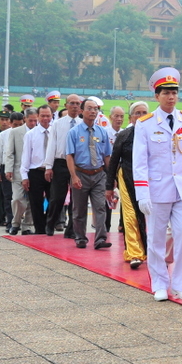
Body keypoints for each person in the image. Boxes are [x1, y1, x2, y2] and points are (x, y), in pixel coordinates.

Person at [133, 68, 182, 302]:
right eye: (166, 93)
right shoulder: (145, 124)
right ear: (157, 95)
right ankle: (160, 283)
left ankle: (181, 285)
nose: (171, 97)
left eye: (174, 92)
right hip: (157, 189)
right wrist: (142, 193)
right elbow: (140, 162)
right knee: (156, 239)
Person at [65, 98, 113, 250]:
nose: (93, 111)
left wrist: (111, 177)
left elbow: (107, 156)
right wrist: (74, 176)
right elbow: (69, 155)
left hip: (99, 174)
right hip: (81, 173)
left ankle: (100, 239)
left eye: (95, 109)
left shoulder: (102, 132)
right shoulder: (74, 132)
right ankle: (80, 237)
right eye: (90, 108)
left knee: (100, 207)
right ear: (81, 111)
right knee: (79, 209)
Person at [107, 101, 150, 269]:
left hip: (150, 180)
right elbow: (113, 162)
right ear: (131, 117)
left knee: (152, 217)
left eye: (144, 112)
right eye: (137, 113)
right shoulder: (124, 136)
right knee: (130, 216)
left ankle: (153, 252)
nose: (141, 116)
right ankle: (134, 253)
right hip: (127, 177)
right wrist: (109, 186)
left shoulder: (155, 135)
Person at [44, 94, 82, 236]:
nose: (74, 106)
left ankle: (71, 229)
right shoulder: (58, 124)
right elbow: (51, 145)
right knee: (57, 197)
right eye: (71, 103)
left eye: (77, 103)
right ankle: (50, 224)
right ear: (66, 105)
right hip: (60, 163)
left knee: (76, 199)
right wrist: (48, 166)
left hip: (77, 164)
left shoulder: (82, 124)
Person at [21, 105, 54, 235]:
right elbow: (26, 156)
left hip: (52, 171)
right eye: (43, 116)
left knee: (55, 201)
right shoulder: (31, 134)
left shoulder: (55, 133)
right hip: (36, 171)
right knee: (36, 203)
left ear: (52, 116)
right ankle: (40, 230)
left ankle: (49, 224)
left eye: (48, 116)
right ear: (38, 117)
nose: (45, 118)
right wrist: (24, 176)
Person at [4, 109, 35, 235]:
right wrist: (8, 169)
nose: (33, 123)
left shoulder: (40, 131)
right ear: (25, 119)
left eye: (35, 120)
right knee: (17, 199)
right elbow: (10, 152)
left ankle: (27, 225)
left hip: (34, 170)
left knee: (33, 200)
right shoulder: (16, 132)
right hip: (18, 170)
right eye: (30, 120)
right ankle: (15, 223)